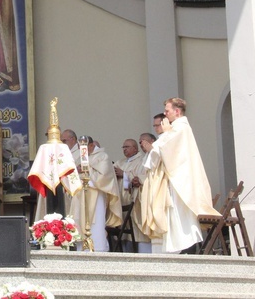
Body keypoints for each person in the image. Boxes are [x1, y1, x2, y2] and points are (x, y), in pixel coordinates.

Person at [139, 98, 219, 254]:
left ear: (177, 111)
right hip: (172, 179)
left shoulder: (180, 128)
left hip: (178, 183)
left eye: (167, 110)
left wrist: (154, 145)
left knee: (176, 216)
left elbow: (166, 151)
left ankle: (179, 248)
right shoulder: (174, 128)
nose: (165, 113)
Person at [71, 137, 122, 252]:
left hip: (96, 193)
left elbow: (104, 177)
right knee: (81, 220)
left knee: (96, 222)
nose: (82, 151)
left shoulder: (103, 156)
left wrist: (86, 169)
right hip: (81, 195)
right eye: (80, 148)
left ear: (92, 145)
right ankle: (82, 248)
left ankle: (98, 248)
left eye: (84, 147)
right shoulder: (82, 157)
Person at [113, 137, 149, 252]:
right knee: (122, 230)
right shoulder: (121, 162)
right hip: (121, 200)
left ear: (135, 148)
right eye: (123, 147)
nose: (124, 149)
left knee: (134, 229)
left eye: (127, 147)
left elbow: (142, 177)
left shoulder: (142, 161)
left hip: (133, 199)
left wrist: (124, 174)